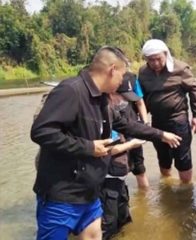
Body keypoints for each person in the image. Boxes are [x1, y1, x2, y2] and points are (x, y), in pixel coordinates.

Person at [31, 46, 181, 240]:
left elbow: (126, 124)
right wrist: (89, 147)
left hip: (90, 193)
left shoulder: (101, 99)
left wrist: (160, 135)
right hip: (62, 196)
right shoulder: (71, 91)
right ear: (112, 70)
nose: (122, 82)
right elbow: (42, 131)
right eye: (122, 76)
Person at [139, 39, 196, 183]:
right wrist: (141, 120)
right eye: (150, 60)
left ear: (166, 55)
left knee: (182, 157)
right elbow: (141, 97)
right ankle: (167, 183)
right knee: (163, 157)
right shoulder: (143, 72)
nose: (155, 63)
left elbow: (194, 90)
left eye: (158, 59)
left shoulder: (180, 68)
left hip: (177, 119)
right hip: (156, 120)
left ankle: (186, 189)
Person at [117, 72, 150, 188]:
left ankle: (144, 200)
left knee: (139, 167)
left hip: (132, 124)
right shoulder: (107, 80)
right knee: (117, 167)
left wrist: (145, 124)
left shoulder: (132, 78)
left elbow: (140, 102)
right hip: (115, 130)